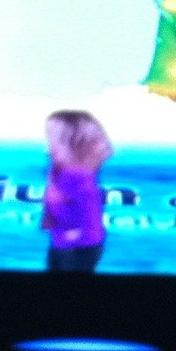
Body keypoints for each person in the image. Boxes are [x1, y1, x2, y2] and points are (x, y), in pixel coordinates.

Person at [40, 111, 112, 273]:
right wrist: (48, 218)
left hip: (80, 246)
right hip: (61, 241)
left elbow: (90, 210)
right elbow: (52, 197)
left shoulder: (79, 175)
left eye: (50, 136)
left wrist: (78, 234)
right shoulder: (57, 168)